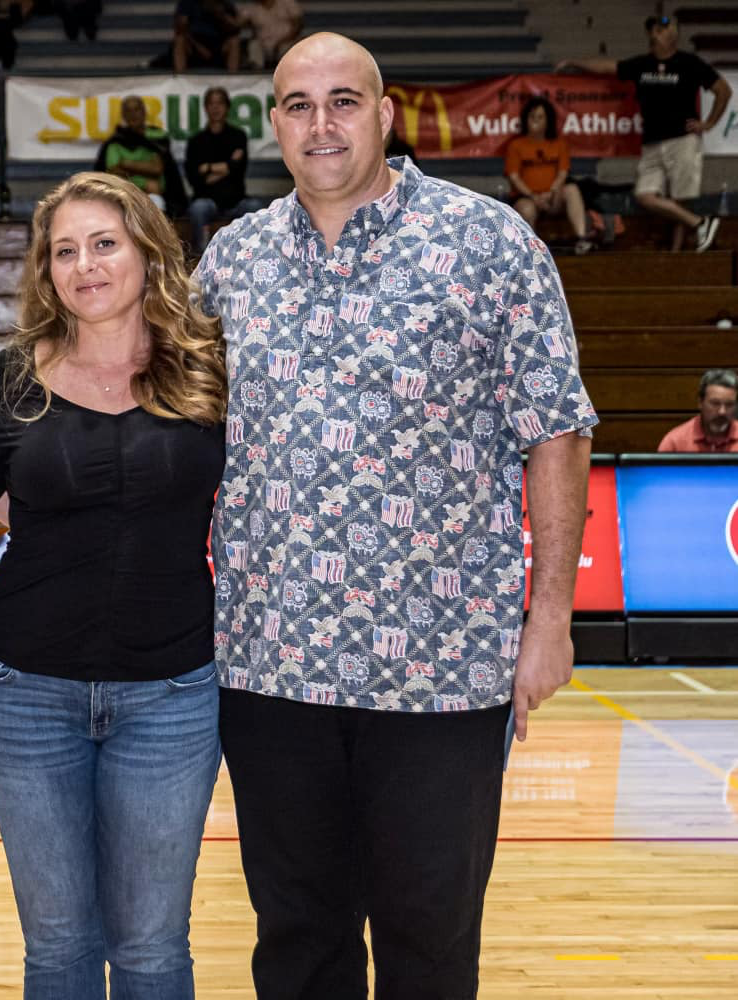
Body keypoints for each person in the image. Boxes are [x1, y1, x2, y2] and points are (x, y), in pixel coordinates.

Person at [196, 33, 596, 998]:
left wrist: (548, 620)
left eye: (343, 101)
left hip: (444, 671)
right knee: (298, 941)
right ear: (274, 125)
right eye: (297, 104)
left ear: (385, 114)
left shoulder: (491, 242)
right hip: (272, 664)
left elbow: (558, 431)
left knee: (429, 944)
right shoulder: (231, 261)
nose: (320, 123)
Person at [0, 171, 226, 999]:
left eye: (104, 243)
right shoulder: (9, 381)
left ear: (147, 250)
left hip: (173, 697)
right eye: (64, 250)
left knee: (151, 949)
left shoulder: (211, 372)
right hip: (27, 696)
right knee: (61, 947)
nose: (85, 265)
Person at [558, 15, 730, 252]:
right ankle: (700, 223)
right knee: (645, 195)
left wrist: (709, 123)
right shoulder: (642, 65)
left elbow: (723, 90)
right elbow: (608, 66)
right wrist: (574, 62)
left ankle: (677, 253)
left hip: (682, 140)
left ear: (675, 34)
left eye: (662, 28)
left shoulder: (689, 63)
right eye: (653, 29)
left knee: (680, 199)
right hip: (652, 143)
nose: (656, 33)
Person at [505, 97, 592, 255]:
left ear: (548, 120)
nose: (535, 121)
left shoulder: (559, 144)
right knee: (527, 209)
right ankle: (532, 252)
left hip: (552, 196)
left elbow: (563, 173)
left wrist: (550, 193)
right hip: (526, 198)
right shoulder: (515, 145)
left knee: (572, 189)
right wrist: (533, 196)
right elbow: (514, 177)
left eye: (540, 117)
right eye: (532, 117)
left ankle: (582, 239)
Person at [93, 96, 186, 216]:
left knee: (155, 197)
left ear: (144, 112)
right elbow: (114, 174)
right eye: (128, 111)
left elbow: (157, 168)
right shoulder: (115, 142)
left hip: (158, 198)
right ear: (124, 115)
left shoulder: (157, 137)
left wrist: (126, 164)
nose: (133, 115)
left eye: (136, 110)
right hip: (124, 196)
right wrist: (145, 182)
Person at [184, 85, 248, 258]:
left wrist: (208, 168)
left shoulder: (238, 136)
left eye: (220, 103)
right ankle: (200, 258)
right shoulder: (195, 141)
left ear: (227, 107)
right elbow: (194, 179)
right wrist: (228, 165)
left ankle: (248, 257)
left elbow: (238, 171)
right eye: (211, 103)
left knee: (256, 207)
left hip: (236, 200)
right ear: (205, 108)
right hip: (207, 202)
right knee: (197, 208)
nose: (215, 107)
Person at [658, 368, 738, 452]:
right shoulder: (675, 443)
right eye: (715, 403)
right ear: (700, 402)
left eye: (729, 404)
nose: (722, 412)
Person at [172, 0, 241, 73]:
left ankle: (233, 77)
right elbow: (180, 29)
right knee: (180, 40)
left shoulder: (226, 5)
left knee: (234, 41)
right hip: (194, 44)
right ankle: (180, 77)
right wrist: (198, 46)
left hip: (218, 45)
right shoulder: (187, 3)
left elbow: (235, 29)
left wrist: (221, 15)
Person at [238, 0, 302, 68]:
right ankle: (257, 72)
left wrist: (281, 42)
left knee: (285, 49)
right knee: (254, 45)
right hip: (263, 43)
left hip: (286, 41)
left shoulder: (287, 2)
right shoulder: (252, 8)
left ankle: (285, 73)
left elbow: (298, 26)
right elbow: (238, 23)